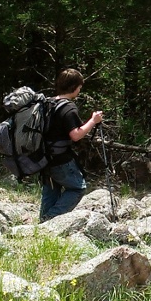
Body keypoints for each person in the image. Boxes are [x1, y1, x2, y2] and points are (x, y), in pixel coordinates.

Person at [40, 68, 102, 222]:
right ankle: (51, 218)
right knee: (77, 188)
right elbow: (76, 135)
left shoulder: (48, 103)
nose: (80, 90)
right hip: (61, 158)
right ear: (74, 87)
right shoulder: (68, 108)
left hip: (44, 158)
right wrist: (93, 121)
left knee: (51, 190)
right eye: (80, 87)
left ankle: (42, 224)